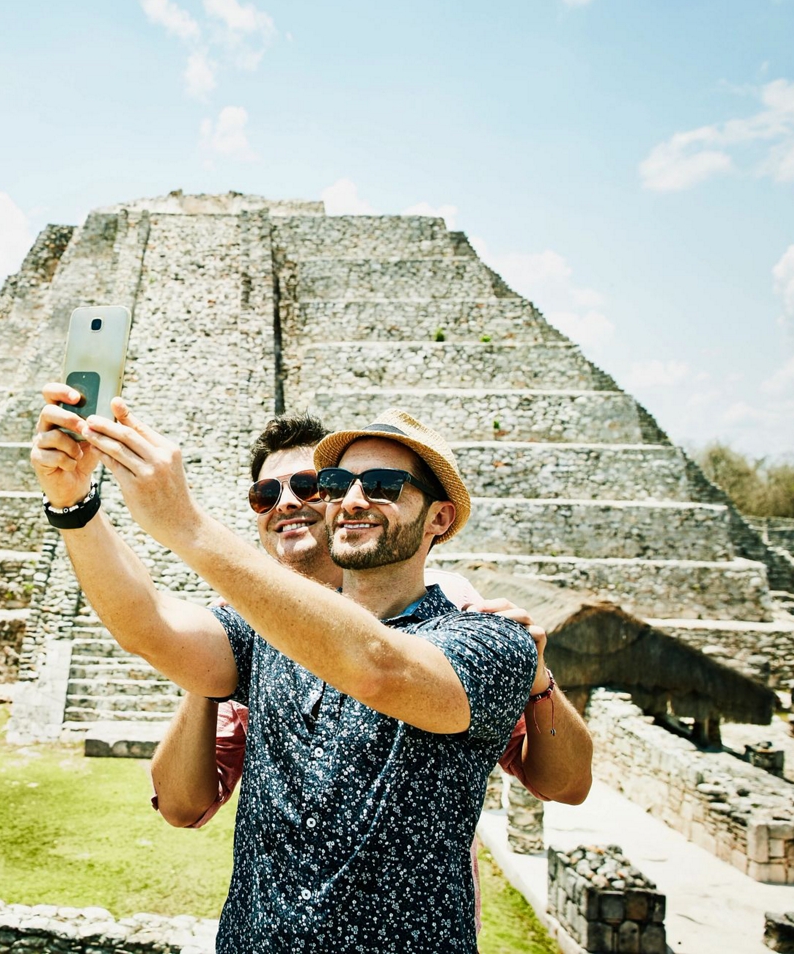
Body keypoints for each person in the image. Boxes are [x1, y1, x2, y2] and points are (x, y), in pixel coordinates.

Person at [32, 392, 540, 952]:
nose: (351, 500)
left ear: (438, 518)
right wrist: (75, 505)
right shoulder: (268, 632)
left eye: (383, 486)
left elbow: (377, 668)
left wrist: (186, 524)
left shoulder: (493, 639)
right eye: (339, 485)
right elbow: (148, 627)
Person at [150, 413, 593, 834]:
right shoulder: (251, 629)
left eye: (310, 486)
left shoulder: (452, 608)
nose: (285, 503)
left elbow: (562, 784)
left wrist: (537, 681)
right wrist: (212, 663)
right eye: (265, 495)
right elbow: (182, 805)